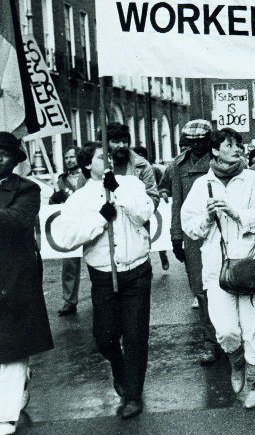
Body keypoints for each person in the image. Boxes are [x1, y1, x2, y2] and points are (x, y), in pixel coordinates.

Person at [53, 141, 155, 419]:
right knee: (105, 338)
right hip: (103, 276)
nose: (107, 160)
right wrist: (100, 219)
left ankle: (132, 394)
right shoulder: (78, 199)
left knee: (135, 336)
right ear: (87, 164)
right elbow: (66, 237)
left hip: (136, 270)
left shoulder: (130, 184)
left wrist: (118, 190)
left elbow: (145, 213)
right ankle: (119, 368)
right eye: (101, 157)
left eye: (109, 155)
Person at [181, 128, 255, 409]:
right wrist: (208, 218)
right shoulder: (202, 185)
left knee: (252, 330)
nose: (236, 149)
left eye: (238, 145)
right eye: (229, 145)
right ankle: (236, 363)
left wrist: (237, 214)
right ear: (215, 150)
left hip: (250, 265)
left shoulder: (252, 179)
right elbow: (190, 227)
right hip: (217, 270)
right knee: (225, 330)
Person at [0, 132, 52, 435]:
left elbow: (18, 220)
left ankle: (6, 418)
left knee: (12, 351)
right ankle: (21, 379)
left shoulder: (27, 190)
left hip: (13, 282)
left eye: (4, 154)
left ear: (15, 160)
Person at [158, 119, 221, 365]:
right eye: (191, 142)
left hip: (221, 231)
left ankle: (231, 337)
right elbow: (177, 204)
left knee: (226, 283)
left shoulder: (220, 159)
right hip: (193, 235)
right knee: (201, 289)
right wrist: (176, 237)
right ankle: (210, 342)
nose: (196, 146)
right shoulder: (178, 165)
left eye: (201, 141)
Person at [52, 146, 87, 316]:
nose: (69, 160)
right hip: (71, 226)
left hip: (88, 222)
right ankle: (69, 300)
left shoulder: (87, 176)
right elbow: (53, 206)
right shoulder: (61, 180)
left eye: (72, 157)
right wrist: (54, 199)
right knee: (69, 265)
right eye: (66, 158)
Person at [105, 123, 160, 209]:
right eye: (116, 141)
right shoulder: (97, 166)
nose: (122, 145)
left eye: (125, 141)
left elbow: (153, 200)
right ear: (106, 144)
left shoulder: (142, 166)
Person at [132, 145, 169, 271]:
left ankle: (163, 255)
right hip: (140, 207)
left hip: (154, 205)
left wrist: (162, 192)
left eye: (143, 156)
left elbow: (161, 185)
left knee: (159, 234)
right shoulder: (132, 170)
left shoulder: (155, 170)